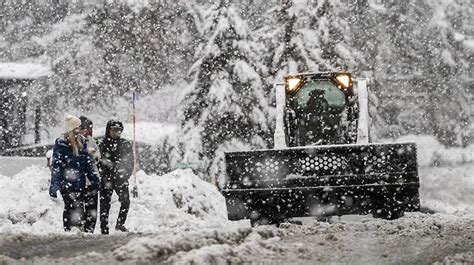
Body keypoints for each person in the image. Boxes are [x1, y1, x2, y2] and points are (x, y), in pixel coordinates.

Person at [49, 114, 100, 232]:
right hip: (67, 184)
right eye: (77, 127)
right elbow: (56, 166)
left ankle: (78, 234)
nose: (80, 130)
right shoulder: (61, 144)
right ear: (71, 129)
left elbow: (88, 164)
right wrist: (54, 184)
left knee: (79, 212)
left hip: (79, 184)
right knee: (72, 209)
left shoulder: (82, 142)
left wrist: (95, 179)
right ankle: (69, 231)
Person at [98, 119, 133, 234]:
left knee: (126, 201)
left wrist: (124, 175)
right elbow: (100, 162)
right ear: (108, 130)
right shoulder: (102, 144)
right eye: (113, 130)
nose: (116, 132)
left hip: (121, 178)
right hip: (106, 179)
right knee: (104, 205)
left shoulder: (125, 144)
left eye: (119, 130)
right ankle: (104, 229)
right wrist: (106, 174)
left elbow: (130, 163)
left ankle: (120, 223)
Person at [79, 116, 101, 233]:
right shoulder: (75, 141)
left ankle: (90, 229)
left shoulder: (92, 141)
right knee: (79, 207)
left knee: (92, 208)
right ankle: (80, 229)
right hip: (79, 180)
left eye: (90, 128)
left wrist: (95, 156)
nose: (89, 131)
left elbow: (98, 156)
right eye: (87, 128)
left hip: (92, 180)